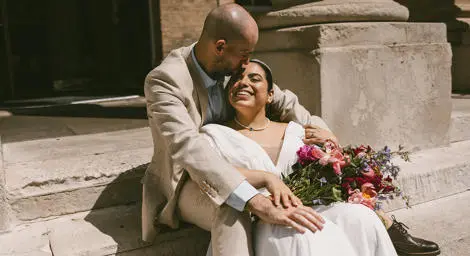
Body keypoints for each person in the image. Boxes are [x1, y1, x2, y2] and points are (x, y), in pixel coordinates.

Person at [142, 3, 336, 256]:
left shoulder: (232, 69)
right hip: (187, 181)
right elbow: (189, 147)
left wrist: (324, 133)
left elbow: (283, 100)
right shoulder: (165, 81)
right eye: (244, 53)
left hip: (244, 171)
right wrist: (257, 201)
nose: (247, 63)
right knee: (234, 205)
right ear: (220, 47)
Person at [199, 59, 440, 256]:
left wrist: (330, 145)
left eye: (254, 78)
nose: (243, 83)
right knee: (300, 233)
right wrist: (263, 179)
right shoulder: (216, 133)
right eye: (236, 80)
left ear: (271, 95)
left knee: (361, 218)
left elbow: (327, 166)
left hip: (310, 204)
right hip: (260, 216)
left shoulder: (295, 130)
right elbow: (210, 172)